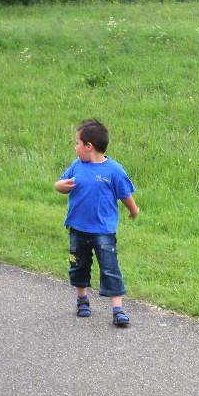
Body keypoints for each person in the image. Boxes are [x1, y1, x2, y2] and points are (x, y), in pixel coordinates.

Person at [54, 119, 139, 327]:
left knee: (110, 268)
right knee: (78, 265)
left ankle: (118, 310)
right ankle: (82, 300)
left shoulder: (114, 170)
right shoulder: (77, 166)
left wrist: (133, 210)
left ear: (88, 146)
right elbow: (61, 183)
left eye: (77, 143)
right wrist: (60, 186)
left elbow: (125, 194)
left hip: (103, 231)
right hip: (77, 228)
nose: (75, 147)